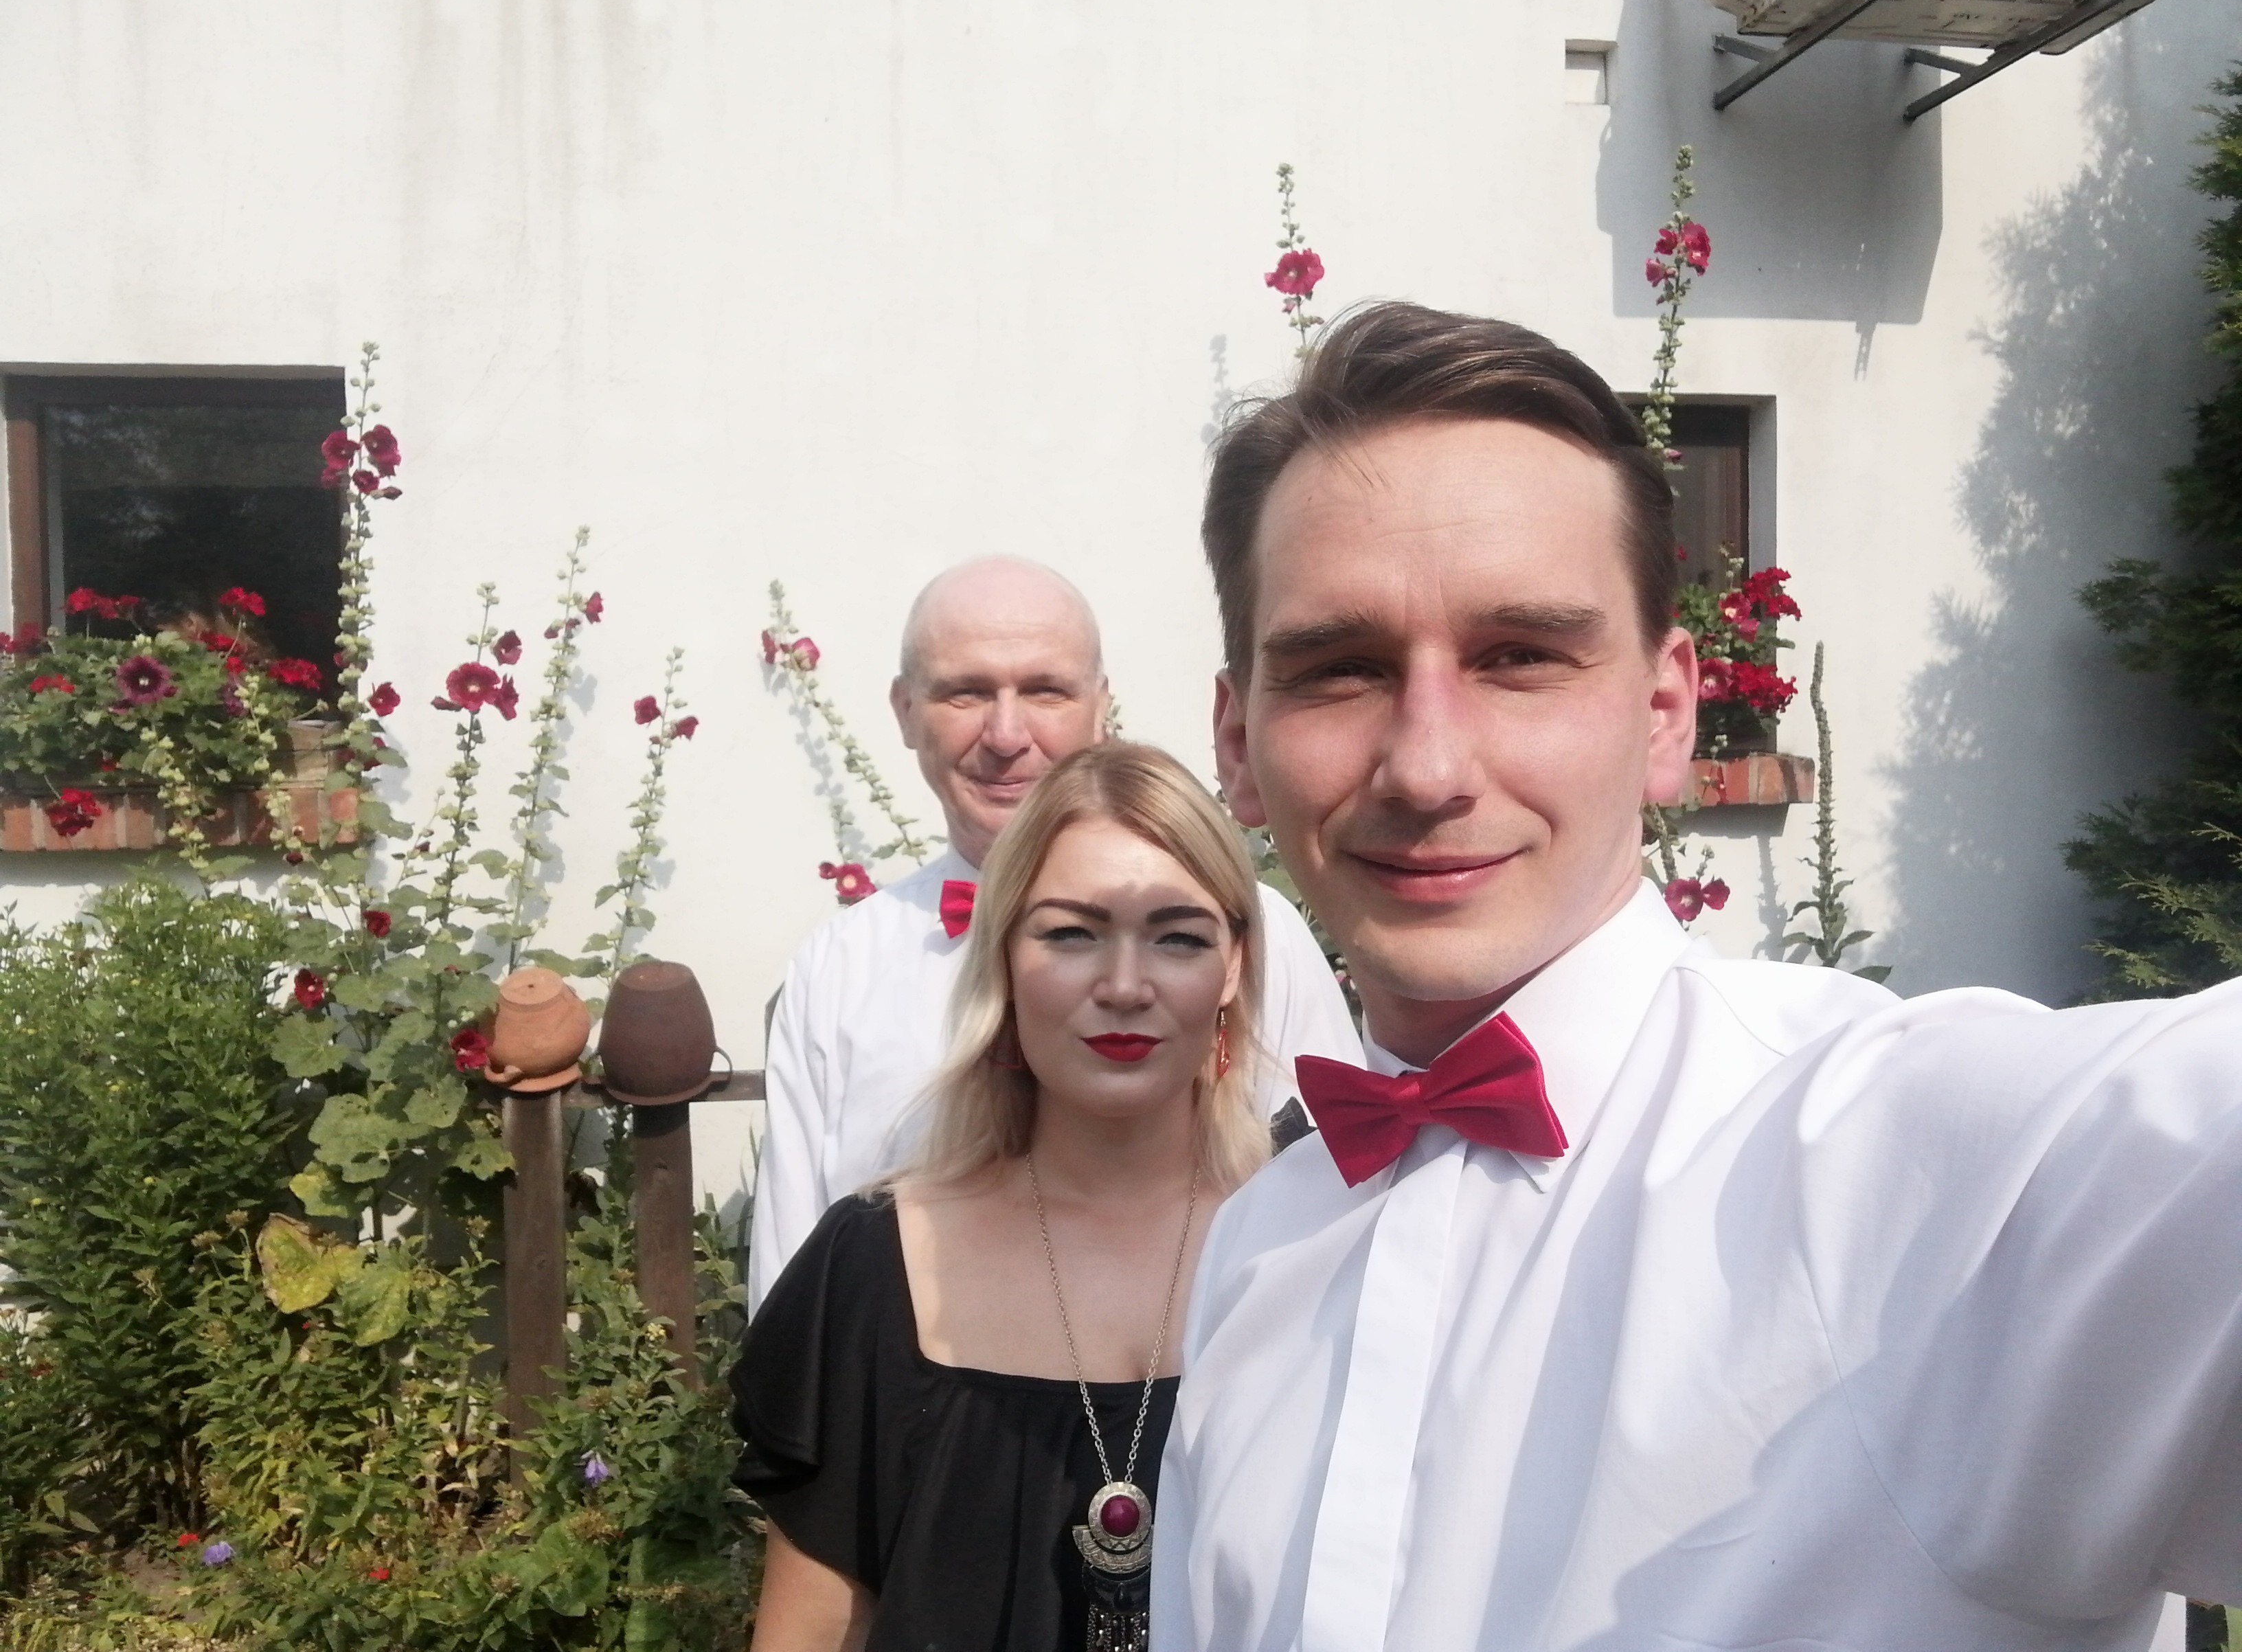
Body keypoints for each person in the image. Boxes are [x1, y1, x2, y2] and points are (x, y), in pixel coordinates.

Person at [1149, 301, 2242, 1651]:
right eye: (1339, 671)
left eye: (1520, 658)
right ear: (1238, 743)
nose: (1426, 767)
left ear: (1667, 712)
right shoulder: (1257, 1246)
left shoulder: (1898, 1153)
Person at [736, 743, 1272, 1652]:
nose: (1124, 986)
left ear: (1232, 967)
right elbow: (812, 1630)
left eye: (1178, 937)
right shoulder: (873, 1262)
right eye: (1071, 934)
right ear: (1002, 956)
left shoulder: (1312, 1242)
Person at [747, 555, 1360, 1313]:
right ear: (905, 711)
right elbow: (793, 1286)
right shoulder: (837, 967)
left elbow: (1339, 1214)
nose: (1006, 735)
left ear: (1101, 706)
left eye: (1045, 691)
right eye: (966, 692)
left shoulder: (1260, 934)